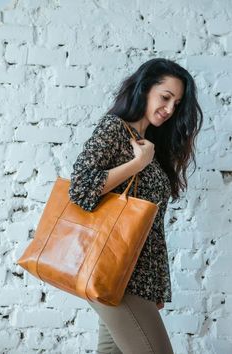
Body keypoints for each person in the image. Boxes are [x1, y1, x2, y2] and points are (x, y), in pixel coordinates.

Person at [68, 58, 203, 354]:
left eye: (176, 104)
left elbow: (151, 227)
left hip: (134, 277)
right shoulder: (115, 130)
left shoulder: (150, 145)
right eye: (165, 97)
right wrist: (136, 164)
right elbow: (80, 187)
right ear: (144, 89)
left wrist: (154, 283)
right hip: (114, 271)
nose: (169, 109)